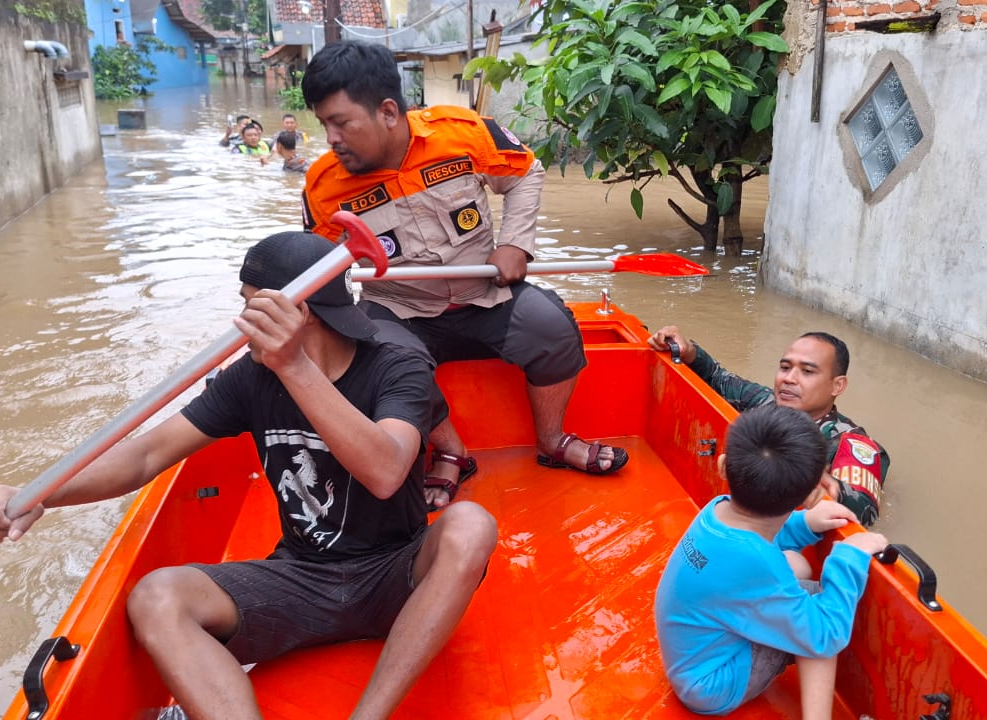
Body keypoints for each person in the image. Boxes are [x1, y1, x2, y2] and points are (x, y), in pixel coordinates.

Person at [0, 232, 498, 720]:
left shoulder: (396, 363)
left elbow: (385, 470)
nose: (241, 323)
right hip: (303, 577)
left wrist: (294, 367)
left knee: (470, 525)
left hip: (395, 574)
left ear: (300, 310)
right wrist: (41, 494)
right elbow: (146, 456)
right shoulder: (253, 376)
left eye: (250, 306)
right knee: (157, 595)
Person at [298, 40, 628, 511]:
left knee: (552, 325)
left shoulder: (462, 133)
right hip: (400, 307)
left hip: (485, 294)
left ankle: (552, 442)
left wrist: (515, 243)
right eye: (323, 124)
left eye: (341, 123)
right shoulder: (324, 186)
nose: (331, 138)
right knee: (380, 358)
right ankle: (450, 449)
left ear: (388, 112)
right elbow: (318, 265)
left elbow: (526, 171)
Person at [654, 404, 889, 718]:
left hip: (690, 657)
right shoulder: (755, 562)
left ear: (723, 467)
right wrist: (847, 557)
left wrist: (805, 524)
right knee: (818, 606)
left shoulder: (718, 509)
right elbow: (824, 634)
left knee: (798, 573)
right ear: (806, 495)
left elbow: (761, 535)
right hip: (713, 687)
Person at [648, 327, 889, 526]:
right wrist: (689, 351)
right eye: (785, 367)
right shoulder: (765, 402)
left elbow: (866, 511)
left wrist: (824, 488)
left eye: (806, 371)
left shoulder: (850, 442)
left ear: (837, 386)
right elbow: (717, 379)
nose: (789, 378)